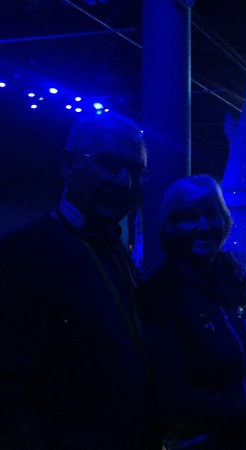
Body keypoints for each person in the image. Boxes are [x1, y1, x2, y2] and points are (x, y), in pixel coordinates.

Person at [0, 116, 162, 449]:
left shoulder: (115, 250)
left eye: (135, 170)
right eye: (108, 163)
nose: (124, 182)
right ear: (68, 165)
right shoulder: (19, 255)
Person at [141, 175, 246, 450]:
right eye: (189, 217)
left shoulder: (233, 280)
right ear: (171, 226)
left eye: (211, 214)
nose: (203, 226)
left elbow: (245, 339)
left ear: (224, 219)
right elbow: (175, 399)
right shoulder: (160, 296)